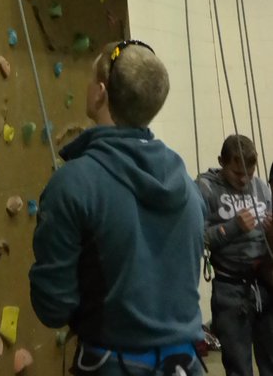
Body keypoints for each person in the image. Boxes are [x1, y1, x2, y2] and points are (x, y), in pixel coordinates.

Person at [29, 39, 205, 376]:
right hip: (185, 365)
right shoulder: (185, 182)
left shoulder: (75, 183)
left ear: (99, 93)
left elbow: (53, 307)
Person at [197, 135, 273, 376]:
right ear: (222, 162)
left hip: (264, 284)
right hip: (230, 288)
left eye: (249, 173)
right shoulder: (206, 189)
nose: (244, 180)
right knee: (239, 366)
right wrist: (231, 228)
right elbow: (198, 238)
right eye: (237, 173)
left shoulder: (261, 187)